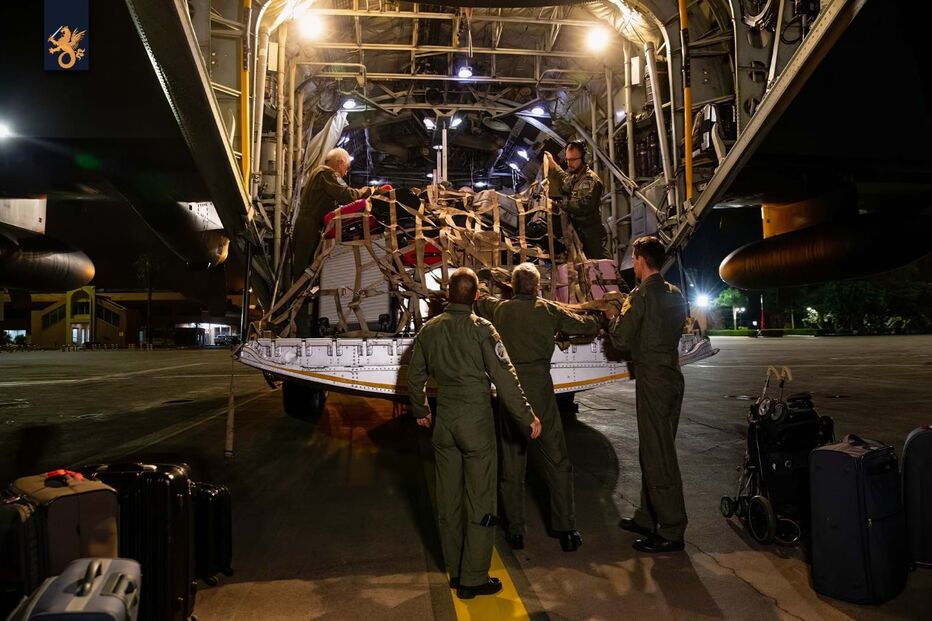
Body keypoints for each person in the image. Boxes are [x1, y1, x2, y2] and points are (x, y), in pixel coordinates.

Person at [407, 267, 542, 599]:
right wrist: (528, 417)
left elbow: (415, 376)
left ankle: (455, 570)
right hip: (475, 423)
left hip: (445, 423)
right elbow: (504, 378)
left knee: (448, 501)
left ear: (448, 295)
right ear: (477, 297)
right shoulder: (483, 329)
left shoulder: (429, 329)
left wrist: (422, 411)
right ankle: (473, 578)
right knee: (481, 499)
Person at [476, 263, 603, 552]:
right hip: (541, 392)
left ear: (513, 286)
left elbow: (481, 301)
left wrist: (481, 282)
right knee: (557, 460)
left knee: (512, 463)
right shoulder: (547, 309)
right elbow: (582, 325)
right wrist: (598, 319)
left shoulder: (500, 310)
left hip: (511, 393)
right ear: (536, 287)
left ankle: (516, 531)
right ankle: (567, 529)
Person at [606, 236, 688, 553]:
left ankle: (671, 529)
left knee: (658, 455)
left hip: (652, 379)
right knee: (656, 447)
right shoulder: (675, 293)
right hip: (672, 375)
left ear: (640, 260)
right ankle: (647, 516)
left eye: (634, 259)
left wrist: (612, 317)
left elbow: (622, 338)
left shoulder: (640, 295)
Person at [291, 147, 384, 335]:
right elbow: (345, 195)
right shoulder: (326, 173)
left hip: (310, 228)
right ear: (339, 162)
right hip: (308, 229)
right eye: (346, 167)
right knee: (303, 277)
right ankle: (298, 328)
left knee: (306, 276)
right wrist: (368, 192)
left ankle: (302, 325)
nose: (346, 172)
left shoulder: (319, 174)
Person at [544, 140, 608, 259]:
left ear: (584, 158)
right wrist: (553, 164)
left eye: (573, 160)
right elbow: (564, 182)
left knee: (602, 266)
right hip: (577, 232)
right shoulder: (574, 175)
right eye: (567, 159)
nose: (569, 163)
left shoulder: (591, 180)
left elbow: (582, 206)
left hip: (590, 235)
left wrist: (558, 204)